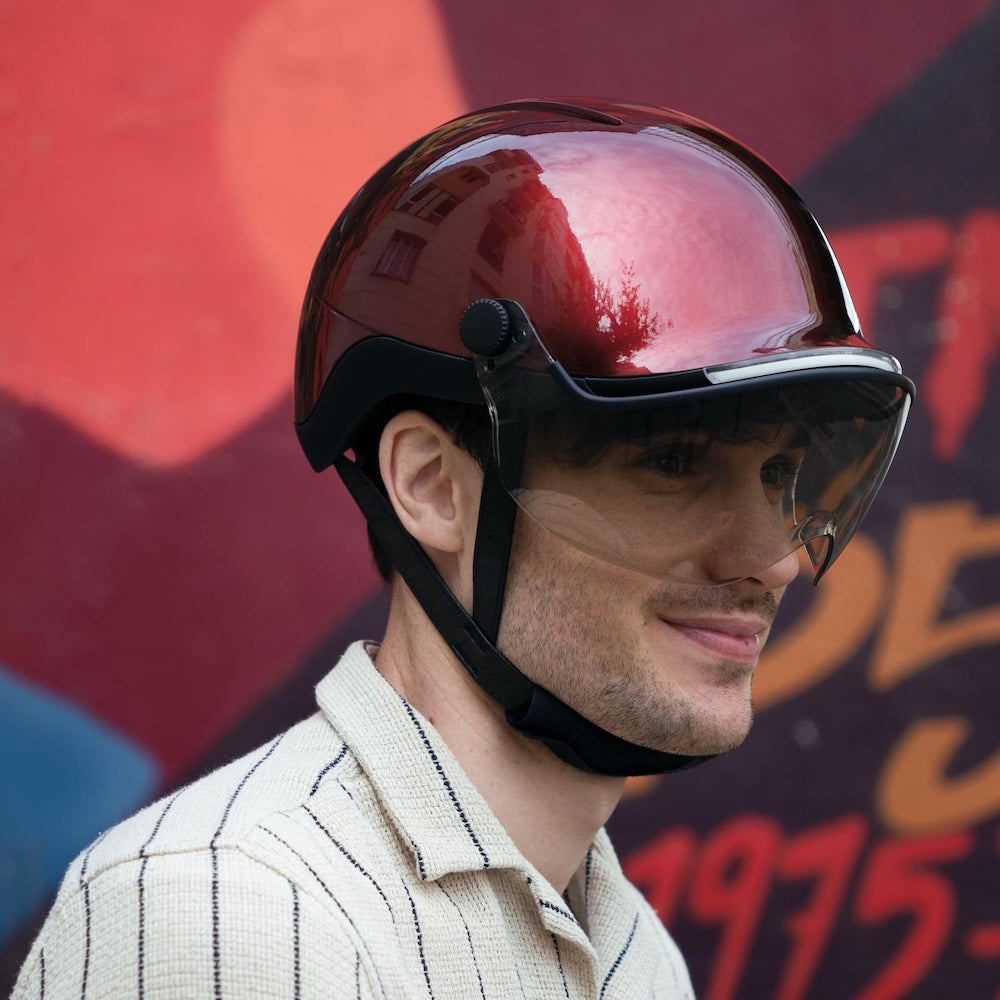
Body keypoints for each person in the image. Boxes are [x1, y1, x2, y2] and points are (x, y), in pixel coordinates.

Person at [13, 99, 913, 999]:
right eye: (673, 464)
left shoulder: (636, 955)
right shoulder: (233, 912)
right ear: (432, 487)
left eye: (780, 475)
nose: (774, 558)